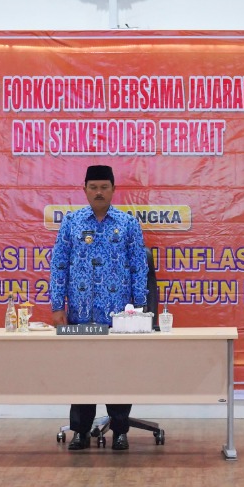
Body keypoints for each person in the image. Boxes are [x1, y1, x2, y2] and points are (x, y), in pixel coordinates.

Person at [49, 165, 148, 451]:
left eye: (104, 187)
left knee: (119, 373)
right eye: (93, 187)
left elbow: (139, 266)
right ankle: (80, 431)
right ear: (85, 190)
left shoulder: (127, 223)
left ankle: (120, 431)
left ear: (113, 189)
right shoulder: (72, 222)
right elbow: (59, 265)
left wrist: (140, 307)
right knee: (82, 373)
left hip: (120, 315)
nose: (99, 192)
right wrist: (57, 305)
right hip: (81, 313)